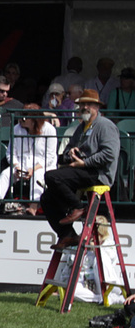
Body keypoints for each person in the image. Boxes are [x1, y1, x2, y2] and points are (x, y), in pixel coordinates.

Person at [41, 93, 120, 249]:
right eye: (82, 104)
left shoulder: (105, 125)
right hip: (82, 171)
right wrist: (71, 154)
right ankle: (67, 234)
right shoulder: (81, 127)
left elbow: (109, 154)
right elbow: (69, 149)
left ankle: (77, 206)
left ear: (97, 107)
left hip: (98, 174)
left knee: (51, 177)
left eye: (89, 104)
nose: (84, 107)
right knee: (46, 198)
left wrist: (84, 163)